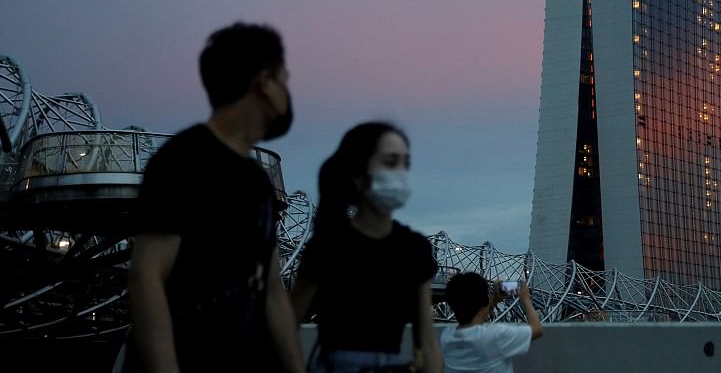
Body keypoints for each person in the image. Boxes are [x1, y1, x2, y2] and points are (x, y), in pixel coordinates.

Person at [126, 22, 304, 373]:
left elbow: (270, 289)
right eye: (286, 79)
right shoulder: (182, 160)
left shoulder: (257, 181)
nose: (288, 92)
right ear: (265, 83)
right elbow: (147, 276)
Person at [289, 122, 443, 373]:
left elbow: (427, 340)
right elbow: (286, 323)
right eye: (390, 163)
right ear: (358, 175)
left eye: (405, 164)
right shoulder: (329, 244)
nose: (401, 174)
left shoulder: (415, 249)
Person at [441, 274, 543, 373]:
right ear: (484, 302)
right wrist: (525, 299)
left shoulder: (446, 337)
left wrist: (494, 300)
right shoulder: (495, 335)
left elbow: (476, 318)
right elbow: (537, 329)